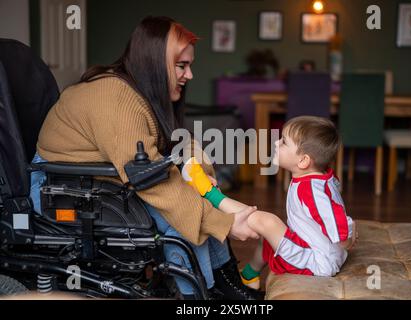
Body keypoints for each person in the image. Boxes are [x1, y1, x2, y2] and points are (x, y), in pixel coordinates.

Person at [31, 16, 261, 300]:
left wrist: (199, 175)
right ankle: (194, 294)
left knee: (190, 197)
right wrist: (224, 222)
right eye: (181, 66)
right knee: (176, 213)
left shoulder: (140, 94)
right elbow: (152, 181)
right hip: (59, 188)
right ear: (155, 63)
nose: (189, 75)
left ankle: (226, 285)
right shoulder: (116, 97)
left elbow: (172, 147)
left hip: (101, 179)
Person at [182, 116, 356, 290]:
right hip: (314, 250)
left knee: (268, 222)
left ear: (303, 161)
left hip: (317, 262)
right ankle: (250, 276)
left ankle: (209, 192)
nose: (276, 143)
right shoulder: (318, 177)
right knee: (268, 236)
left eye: (284, 142)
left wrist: (348, 234)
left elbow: (339, 226)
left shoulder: (311, 191)